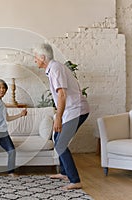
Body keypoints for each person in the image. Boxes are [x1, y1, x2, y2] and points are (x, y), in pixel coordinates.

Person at [34, 43, 89, 190]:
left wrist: (58, 117)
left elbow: (62, 95)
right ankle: (64, 173)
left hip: (76, 110)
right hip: (70, 111)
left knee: (61, 144)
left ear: (43, 57)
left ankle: (75, 180)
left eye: (36, 57)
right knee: (57, 138)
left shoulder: (56, 69)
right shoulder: (52, 69)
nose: (35, 60)